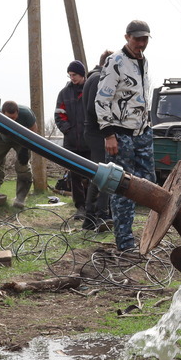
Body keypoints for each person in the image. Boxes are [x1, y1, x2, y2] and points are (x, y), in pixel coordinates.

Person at [96, 20, 155, 253]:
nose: (141, 43)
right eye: (137, 39)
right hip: (121, 134)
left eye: (145, 39)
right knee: (124, 188)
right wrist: (109, 134)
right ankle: (125, 241)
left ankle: (152, 234)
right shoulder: (115, 62)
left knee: (149, 184)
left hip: (143, 132)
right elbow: (102, 100)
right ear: (127, 37)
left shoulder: (144, 61)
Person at [81, 50, 114, 230]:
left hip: (94, 132)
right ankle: (98, 216)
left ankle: (94, 216)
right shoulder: (98, 79)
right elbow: (96, 108)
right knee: (104, 175)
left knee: (100, 174)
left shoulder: (93, 77)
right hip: (98, 133)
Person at [0, 100, 37, 210]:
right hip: (1, 138)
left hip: (22, 138)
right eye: (9, 118)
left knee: (23, 167)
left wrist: (26, 148)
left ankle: (20, 199)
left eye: (14, 118)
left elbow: (33, 132)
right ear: (3, 114)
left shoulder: (26, 114)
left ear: (18, 112)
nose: (12, 120)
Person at [55, 60, 91, 214]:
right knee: (74, 176)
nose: (72, 78)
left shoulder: (91, 90)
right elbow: (59, 115)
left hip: (89, 142)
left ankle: (92, 206)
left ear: (82, 74)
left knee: (92, 175)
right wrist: (68, 130)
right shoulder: (64, 93)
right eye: (70, 75)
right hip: (71, 143)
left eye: (74, 74)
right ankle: (80, 207)